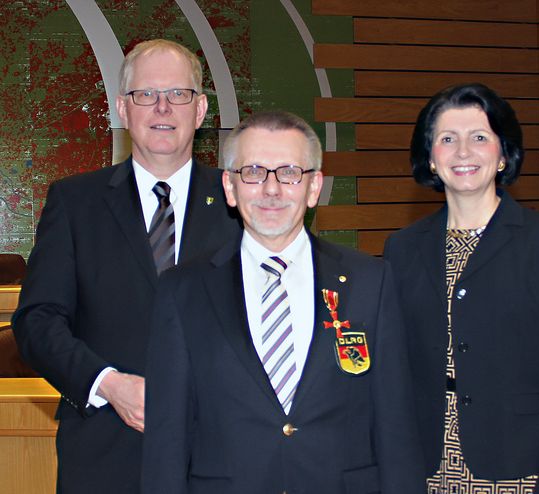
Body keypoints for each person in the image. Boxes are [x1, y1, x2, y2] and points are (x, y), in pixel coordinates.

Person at [142, 110, 424, 493]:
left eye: (289, 172)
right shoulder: (182, 291)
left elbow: (397, 426)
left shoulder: (370, 282)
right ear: (229, 186)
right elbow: (166, 440)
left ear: (313, 187)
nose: (271, 189)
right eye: (254, 172)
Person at [12, 39, 241, 493]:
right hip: (104, 452)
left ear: (200, 111)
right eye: (145, 95)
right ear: (122, 109)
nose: (162, 107)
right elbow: (38, 321)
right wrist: (108, 384)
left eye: (178, 94)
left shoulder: (240, 200)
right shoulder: (74, 202)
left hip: (222, 452)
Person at [384, 83, 539, 493]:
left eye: (480, 137)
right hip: (426, 467)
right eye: (447, 139)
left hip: (520, 467)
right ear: (430, 158)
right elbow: (395, 374)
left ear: (503, 154)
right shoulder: (403, 248)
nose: (463, 152)